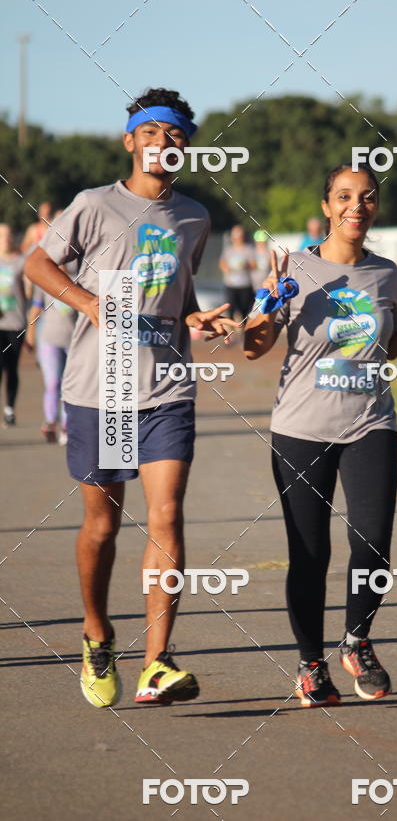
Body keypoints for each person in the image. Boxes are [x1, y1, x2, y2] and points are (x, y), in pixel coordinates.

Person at [25, 87, 236, 708]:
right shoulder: (94, 205)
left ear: (185, 148)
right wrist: (90, 302)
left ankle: (156, 662)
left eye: (175, 135)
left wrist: (194, 318)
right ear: (130, 142)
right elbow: (38, 265)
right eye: (151, 133)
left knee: (167, 514)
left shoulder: (193, 217)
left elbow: (178, 295)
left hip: (167, 386)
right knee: (103, 524)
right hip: (103, 387)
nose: (162, 143)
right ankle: (96, 632)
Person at [244, 163, 397, 706]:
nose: (356, 206)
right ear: (326, 206)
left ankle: (356, 640)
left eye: (366, 197)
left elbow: (387, 346)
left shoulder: (386, 273)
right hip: (301, 428)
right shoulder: (293, 269)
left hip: (371, 422)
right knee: (310, 553)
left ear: (376, 207)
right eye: (344, 197)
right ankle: (309, 665)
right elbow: (252, 347)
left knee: (374, 543)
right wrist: (267, 305)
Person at [26, 264, 78, 443]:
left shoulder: (78, 280)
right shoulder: (44, 281)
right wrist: (30, 335)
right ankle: (50, 422)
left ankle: (66, 426)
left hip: (73, 342)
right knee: (53, 383)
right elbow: (35, 309)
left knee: (69, 385)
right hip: (49, 340)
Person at [0, 224, 30, 426]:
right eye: (2, 236)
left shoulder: (21, 262)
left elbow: (28, 291)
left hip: (16, 323)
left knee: (11, 368)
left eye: (9, 235)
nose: (6, 239)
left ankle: (10, 408)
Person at [219, 224, 256, 325]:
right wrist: (226, 269)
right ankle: (231, 332)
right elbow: (222, 263)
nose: (238, 237)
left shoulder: (248, 249)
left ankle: (244, 331)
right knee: (230, 310)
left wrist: (245, 265)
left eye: (240, 234)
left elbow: (254, 265)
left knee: (245, 312)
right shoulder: (228, 250)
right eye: (235, 235)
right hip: (231, 285)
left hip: (245, 285)